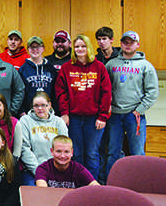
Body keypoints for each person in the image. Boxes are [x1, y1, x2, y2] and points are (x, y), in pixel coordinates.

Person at [103, 31, 158, 180]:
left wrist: (139, 110)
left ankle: (140, 183)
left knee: (137, 152)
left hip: (135, 116)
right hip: (114, 115)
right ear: (121, 44)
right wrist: (107, 107)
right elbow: (104, 88)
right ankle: (111, 182)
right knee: (113, 151)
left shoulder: (145, 66)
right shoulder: (112, 64)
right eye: (125, 42)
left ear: (137, 45)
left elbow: (152, 92)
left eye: (131, 42)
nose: (128, 45)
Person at [55, 34, 111, 179]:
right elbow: (61, 92)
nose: (80, 49)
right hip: (73, 119)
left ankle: (92, 186)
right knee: (76, 153)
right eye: (77, 46)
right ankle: (77, 184)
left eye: (83, 46)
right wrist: (64, 113)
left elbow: (106, 93)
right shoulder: (66, 68)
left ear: (89, 48)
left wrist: (103, 116)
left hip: (94, 119)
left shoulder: (99, 67)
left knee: (92, 154)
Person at [13, 92, 68, 186]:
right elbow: (24, 148)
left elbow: (64, 148)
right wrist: (40, 172)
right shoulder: (25, 121)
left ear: (49, 105)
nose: (40, 109)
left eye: (43, 105)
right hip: (32, 170)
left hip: (56, 170)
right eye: (36, 106)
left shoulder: (59, 122)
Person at [36, 135, 100, 188]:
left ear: (72, 153)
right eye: (58, 151)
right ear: (52, 152)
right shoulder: (43, 169)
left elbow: (96, 187)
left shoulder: (78, 169)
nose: (62, 156)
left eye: (66, 152)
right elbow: (42, 190)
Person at [18, 36, 58, 115]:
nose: (35, 50)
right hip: (29, 113)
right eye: (32, 47)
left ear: (43, 48)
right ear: (28, 49)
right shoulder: (23, 70)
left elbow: (55, 92)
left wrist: (56, 111)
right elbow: (19, 92)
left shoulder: (51, 69)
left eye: (38, 47)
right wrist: (21, 112)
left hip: (48, 113)